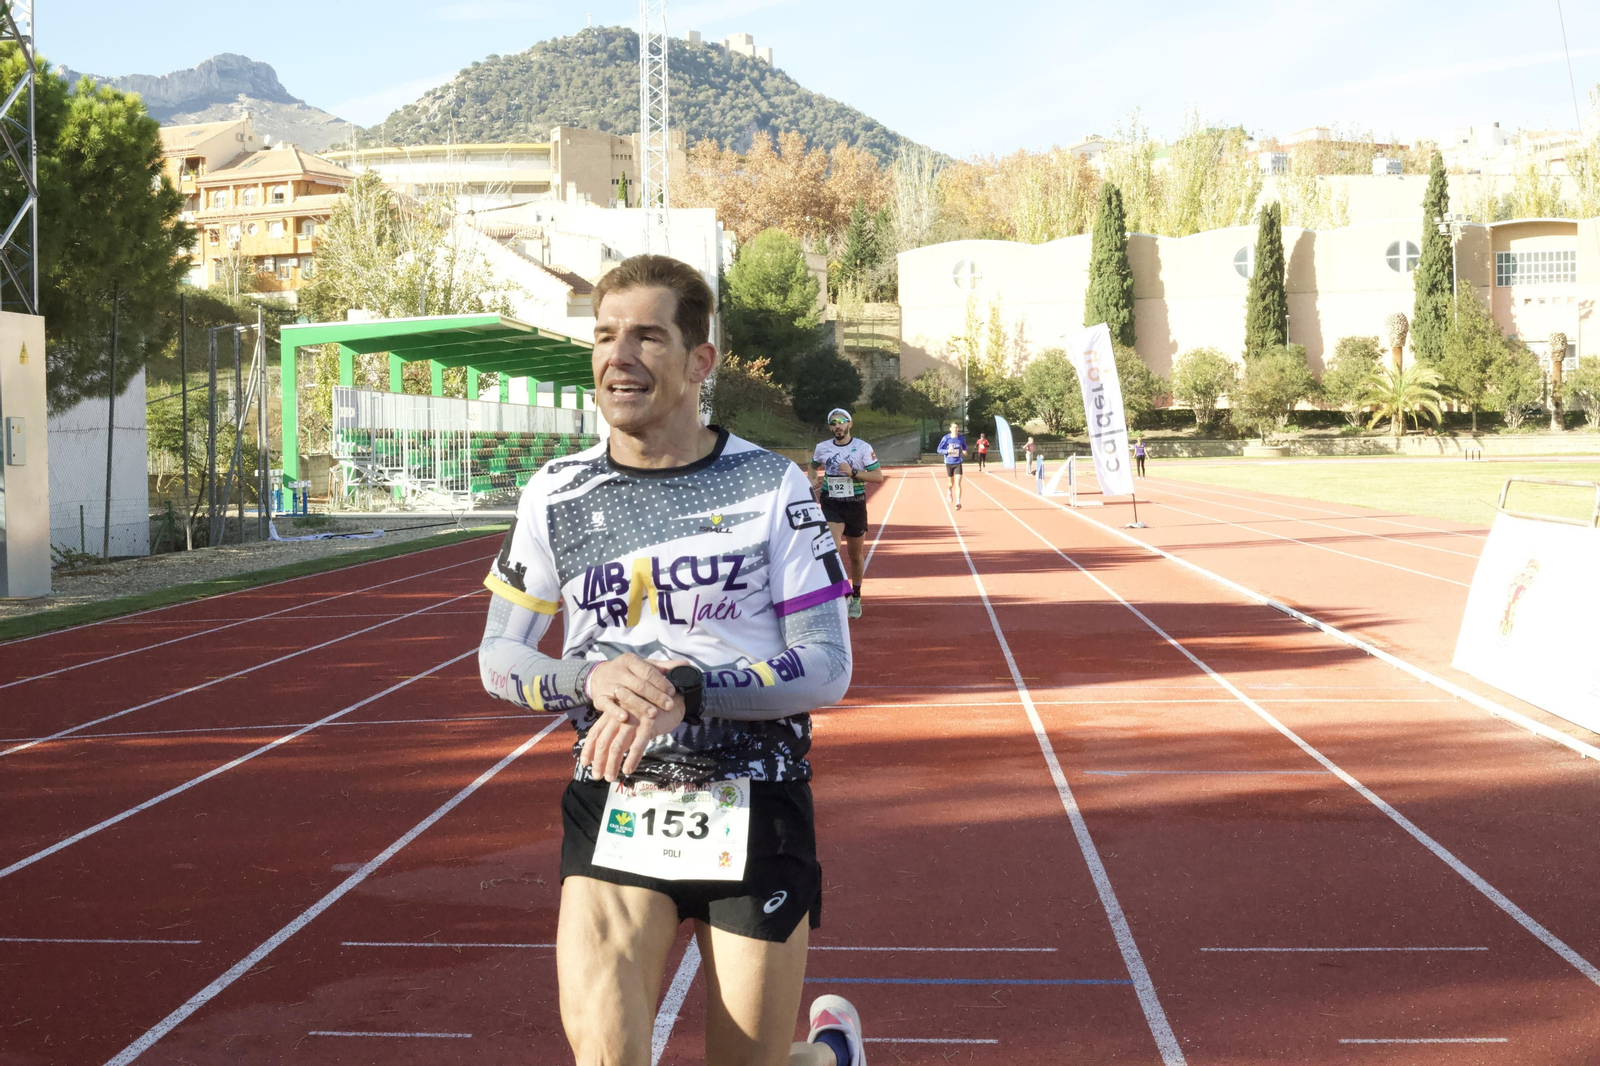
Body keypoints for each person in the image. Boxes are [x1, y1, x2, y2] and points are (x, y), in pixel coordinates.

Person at [477, 254, 868, 1066]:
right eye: (606, 336)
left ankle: (829, 1056)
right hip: (616, 796)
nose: (619, 357)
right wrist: (584, 677)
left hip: (754, 798)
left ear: (700, 362)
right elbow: (499, 655)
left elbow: (827, 665)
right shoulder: (557, 492)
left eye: (648, 337)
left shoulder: (771, 487)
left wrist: (691, 691)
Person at [811, 408, 885, 620]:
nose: (838, 426)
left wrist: (853, 473)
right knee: (832, 550)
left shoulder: (862, 448)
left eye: (842, 421)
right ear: (830, 427)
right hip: (831, 503)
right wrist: (812, 475)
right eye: (833, 422)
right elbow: (813, 464)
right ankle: (835, 594)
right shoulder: (822, 447)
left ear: (849, 424)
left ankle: (857, 595)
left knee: (855, 555)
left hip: (855, 505)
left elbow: (878, 476)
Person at [936, 421, 966, 509]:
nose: (955, 429)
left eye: (956, 427)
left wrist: (964, 450)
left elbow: (964, 446)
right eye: (953, 427)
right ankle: (949, 490)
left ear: (958, 429)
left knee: (958, 483)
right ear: (950, 429)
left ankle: (958, 502)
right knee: (950, 483)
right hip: (949, 462)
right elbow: (938, 449)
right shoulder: (946, 438)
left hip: (958, 462)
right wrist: (947, 451)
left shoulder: (961, 438)